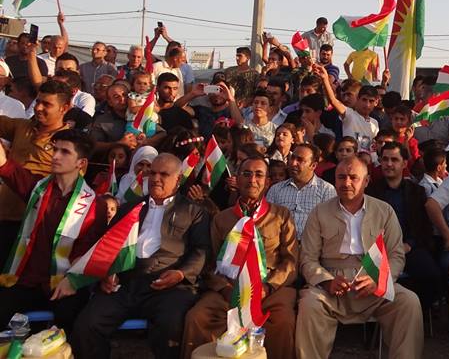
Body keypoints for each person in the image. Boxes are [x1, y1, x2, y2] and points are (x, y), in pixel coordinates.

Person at [71, 153, 211, 359]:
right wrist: (107, 273)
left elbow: (202, 250)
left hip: (169, 287)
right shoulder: (130, 208)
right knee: (87, 325)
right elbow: (109, 245)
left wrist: (181, 274)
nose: (156, 178)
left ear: (178, 179)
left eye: (164, 174)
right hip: (126, 283)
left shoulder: (194, 211)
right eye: (153, 173)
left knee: (172, 327)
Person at [296, 156, 423, 358]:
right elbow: (308, 258)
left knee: (408, 302)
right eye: (341, 177)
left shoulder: (384, 211)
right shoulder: (319, 212)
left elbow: (396, 255)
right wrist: (326, 281)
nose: (346, 183)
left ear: (366, 181)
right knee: (309, 304)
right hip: (332, 282)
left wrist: (378, 279)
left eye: (353, 177)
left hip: (372, 278)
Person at [181, 157, 298, 359]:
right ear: (237, 179)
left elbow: (290, 261)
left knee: (283, 321)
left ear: (268, 182)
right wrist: (225, 289)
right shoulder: (222, 219)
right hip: (229, 288)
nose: (252, 180)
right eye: (246, 174)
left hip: (270, 288)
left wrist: (268, 287)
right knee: (197, 317)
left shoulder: (281, 215)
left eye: (259, 175)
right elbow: (210, 263)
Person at [0, 131, 108, 332]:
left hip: (64, 283)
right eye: (55, 149)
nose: (56, 156)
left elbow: (88, 254)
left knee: (70, 325)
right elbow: (7, 168)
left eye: (65, 152)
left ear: (81, 163)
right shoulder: (38, 188)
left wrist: (72, 281)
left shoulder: (95, 205)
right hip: (25, 280)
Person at [0, 80, 73, 256]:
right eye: (38, 101)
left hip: (29, 227)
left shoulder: (69, 145)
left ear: (64, 108)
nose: (38, 108)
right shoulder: (22, 127)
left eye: (47, 104)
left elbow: (60, 191)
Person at [366, 142, 441, 307]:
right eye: (385, 159)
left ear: (404, 163)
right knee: (369, 278)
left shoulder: (417, 192)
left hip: (410, 248)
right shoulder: (371, 192)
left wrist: (409, 245)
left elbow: (423, 226)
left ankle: (419, 312)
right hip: (378, 250)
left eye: (394, 159)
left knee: (431, 274)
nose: (389, 164)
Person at [265, 143, 336, 238]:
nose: (293, 163)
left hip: (312, 245)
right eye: (292, 158)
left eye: (300, 160)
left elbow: (330, 227)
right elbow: (267, 222)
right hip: (281, 244)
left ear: (313, 165)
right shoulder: (276, 189)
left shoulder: (326, 190)